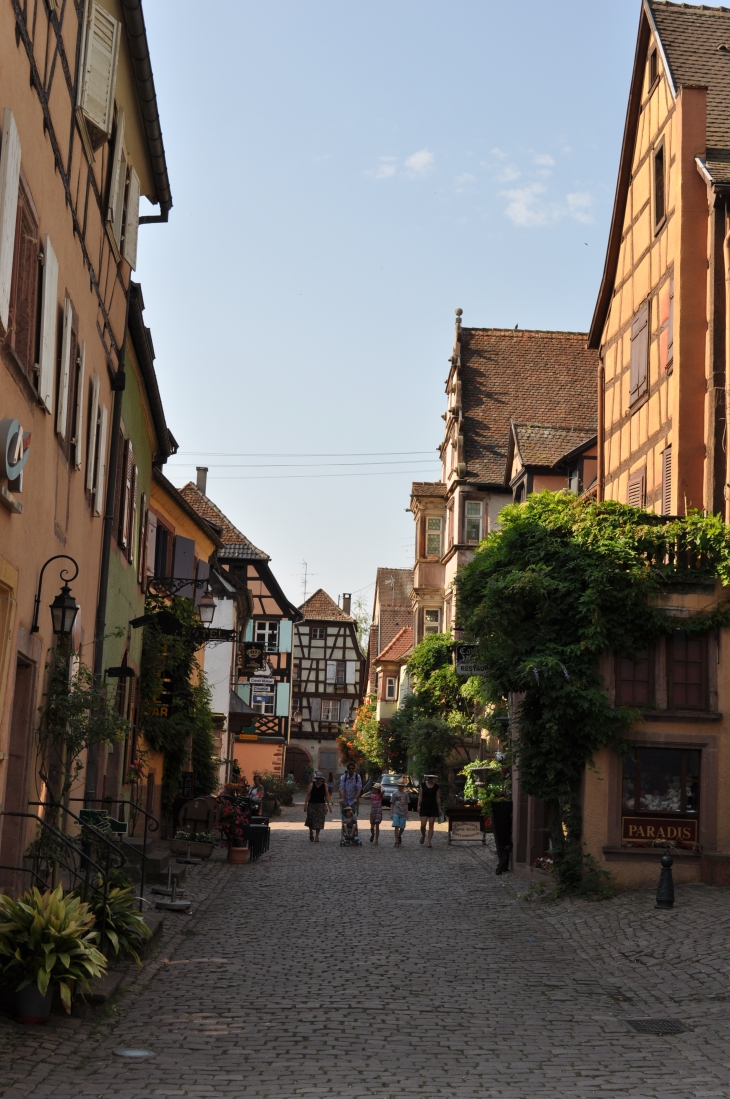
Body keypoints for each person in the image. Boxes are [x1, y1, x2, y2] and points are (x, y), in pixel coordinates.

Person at [304, 771, 331, 841]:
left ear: (322, 779)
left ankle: (317, 836)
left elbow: (327, 796)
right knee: (310, 819)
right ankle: (310, 832)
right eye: (317, 779)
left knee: (319, 821)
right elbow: (307, 795)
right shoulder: (311, 785)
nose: (318, 780)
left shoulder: (324, 785)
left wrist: (329, 805)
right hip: (312, 804)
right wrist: (305, 805)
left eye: (319, 779)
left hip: (321, 805)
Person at [418, 774, 442, 848]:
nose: (430, 779)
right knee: (423, 825)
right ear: (427, 778)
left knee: (431, 824)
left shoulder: (436, 787)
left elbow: (438, 798)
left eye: (432, 778)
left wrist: (439, 808)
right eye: (429, 778)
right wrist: (418, 805)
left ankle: (429, 841)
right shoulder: (423, 785)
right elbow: (420, 796)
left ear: (434, 778)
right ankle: (423, 835)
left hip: (433, 807)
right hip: (424, 806)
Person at [391, 777, 410, 847]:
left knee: (402, 827)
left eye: (402, 786)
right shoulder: (394, 794)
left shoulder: (405, 794)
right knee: (396, 826)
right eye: (399, 786)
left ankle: (399, 835)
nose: (400, 787)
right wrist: (391, 812)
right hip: (396, 812)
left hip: (403, 813)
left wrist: (407, 813)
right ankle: (396, 841)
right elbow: (392, 803)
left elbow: (407, 803)